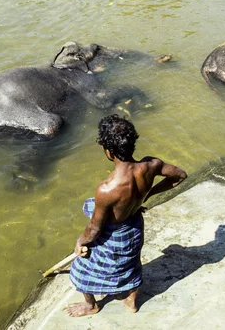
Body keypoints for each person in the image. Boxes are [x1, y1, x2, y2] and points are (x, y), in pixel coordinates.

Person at [66, 114, 187, 317]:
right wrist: (145, 195)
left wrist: (80, 243)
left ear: (108, 151)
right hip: (134, 225)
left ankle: (91, 305)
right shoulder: (151, 165)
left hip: (115, 232)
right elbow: (179, 176)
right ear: (132, 143)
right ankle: (130, 300)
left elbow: (94, 229)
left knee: (80, 270)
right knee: (130, 262)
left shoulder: (106, 189)